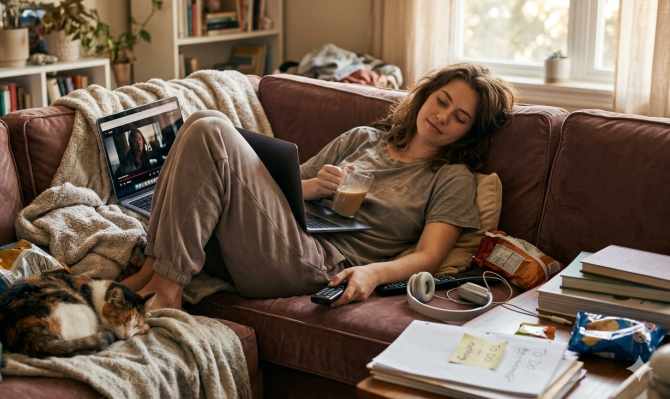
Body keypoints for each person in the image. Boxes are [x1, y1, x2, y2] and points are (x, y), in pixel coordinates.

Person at [121, 62, 519, 311]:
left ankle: (168, 289)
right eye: (442, 100)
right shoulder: (362, 138)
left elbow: (429, 257)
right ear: (425, 95)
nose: (443, 116)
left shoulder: (452, 177)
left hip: (319, 261)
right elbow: (280, 185)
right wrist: (312, 186)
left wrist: (372, 274)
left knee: (211, 128)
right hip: (279, 232)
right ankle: (155, 272)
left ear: (470, 132)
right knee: (200, 119)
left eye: (460, 116)